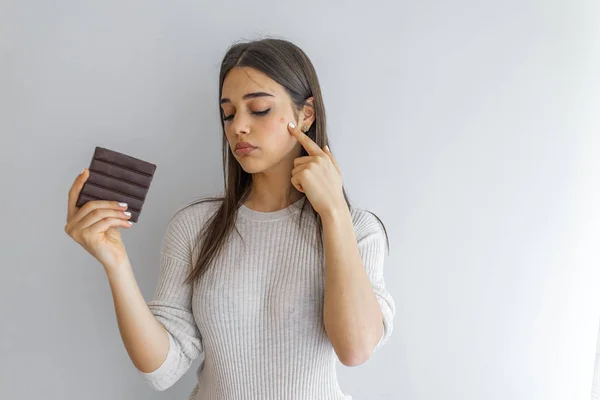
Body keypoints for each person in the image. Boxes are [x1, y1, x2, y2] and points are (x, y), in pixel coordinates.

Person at [65, 37, 395, 400]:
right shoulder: (194, 226)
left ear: (306, 114)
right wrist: (115, 263)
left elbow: (356, 349)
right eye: (228, 112)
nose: (238, 126)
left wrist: (333, 213)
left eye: (259, 109)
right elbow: (162, 370)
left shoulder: (359, 230)